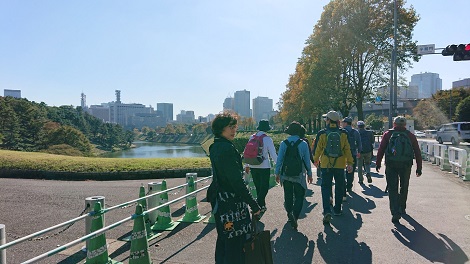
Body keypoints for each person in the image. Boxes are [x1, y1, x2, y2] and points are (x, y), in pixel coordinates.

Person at [209, 112, 261, 264]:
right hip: (232, 204)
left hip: (221, 201)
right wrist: (253, 204)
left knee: (224, 239)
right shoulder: (226, 149)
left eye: (235, 127)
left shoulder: (215, 146)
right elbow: (236, 182)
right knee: (235, 244)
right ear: (221, 128)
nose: (234, 130)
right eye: (230, 127)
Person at [375, 116, 422, 224]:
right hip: (406, 165)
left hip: (391, 164)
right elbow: (417, 152)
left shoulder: (388, 134)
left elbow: (381, 149)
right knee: (404, 186)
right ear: (405, 125)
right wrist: (419, 168)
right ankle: (402, 207)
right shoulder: (410, 136)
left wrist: (378, 163)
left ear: (394, 124)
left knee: (392, 188)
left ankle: (395, 212)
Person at [313, 111, 353, 224]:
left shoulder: (322, 133)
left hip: (326, 164)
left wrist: (316, 160)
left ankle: (326, 211)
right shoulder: (343, 133)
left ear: (328, 120)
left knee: (326, 186)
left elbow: (318, 149)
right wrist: (350, 163)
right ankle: (337, 209)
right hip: (340, 164)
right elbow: (347, 149)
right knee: (340, 186)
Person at [275, 121, 313, 229]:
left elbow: (280, 160)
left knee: (288, 195)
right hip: (299, 175)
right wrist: (309, 174)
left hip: (285, 174)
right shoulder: (303, 143)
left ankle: (289, 213)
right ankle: (295, 215)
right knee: (299, 195)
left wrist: (277, 173)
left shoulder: (284, 143)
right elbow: (306, 160)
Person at [245, 119, 278, 217]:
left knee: (258, 187)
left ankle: (262, 206)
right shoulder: (267, 139)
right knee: (264, 187)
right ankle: (258, 203)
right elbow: (273, 154)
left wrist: (246, 165)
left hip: (253, 165)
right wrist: (278, 166)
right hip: (264, 166)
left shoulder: (252, 137)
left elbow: (247, 151)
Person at [341, 117, 361, 197]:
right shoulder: (355, 132)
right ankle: (349, 186)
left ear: (346, 123)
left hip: (342, 154)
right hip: (352, 153)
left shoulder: (341, 131)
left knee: (341, 171)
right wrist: (359, 152)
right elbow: (359, 143)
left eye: (343, 122)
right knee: (351, 171)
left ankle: (343, 185)